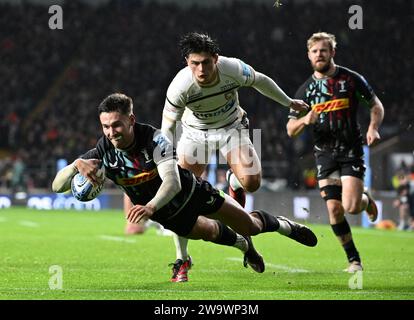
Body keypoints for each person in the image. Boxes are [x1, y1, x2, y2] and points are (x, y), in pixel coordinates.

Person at [52, 93, 317, 280]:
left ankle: (285, 226)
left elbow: (173, 181)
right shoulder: (103, 152)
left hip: (193, 194)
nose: (111, 133)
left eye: (117, 125)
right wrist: (77, 164)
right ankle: (244, 248)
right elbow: (57, 186)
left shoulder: (154, 140)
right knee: (212, 233)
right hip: (166, 215)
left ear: (131, 120)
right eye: (106, 127)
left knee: (251, 226)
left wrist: (149, 207)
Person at [157, 32, 309, 281]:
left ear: (216, 59)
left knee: (252, 183)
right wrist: (165, 160)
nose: (201, 69)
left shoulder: (232, 68)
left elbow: (260, 81)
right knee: (180, 195)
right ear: (187, 62)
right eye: (195, 63)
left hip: (231, 128)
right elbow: (167, 127)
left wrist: (288, 102)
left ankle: (234, 180)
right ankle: (181, 259)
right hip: (195, 135)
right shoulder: (180, 86)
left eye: (206, 62)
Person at [286, 32, 385, 273]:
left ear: (332, 52)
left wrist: (373, 128)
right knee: (334, 208)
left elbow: (376, 105)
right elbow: (290, 129)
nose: (319, 54)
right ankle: (354, 260)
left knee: (351, 207)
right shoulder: (305, 91)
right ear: (308, 56)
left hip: (351, 150)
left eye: (324, 50)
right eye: (315, 51)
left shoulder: (350, 79)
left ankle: (365, 199)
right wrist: (304, 120)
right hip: (325, 154)